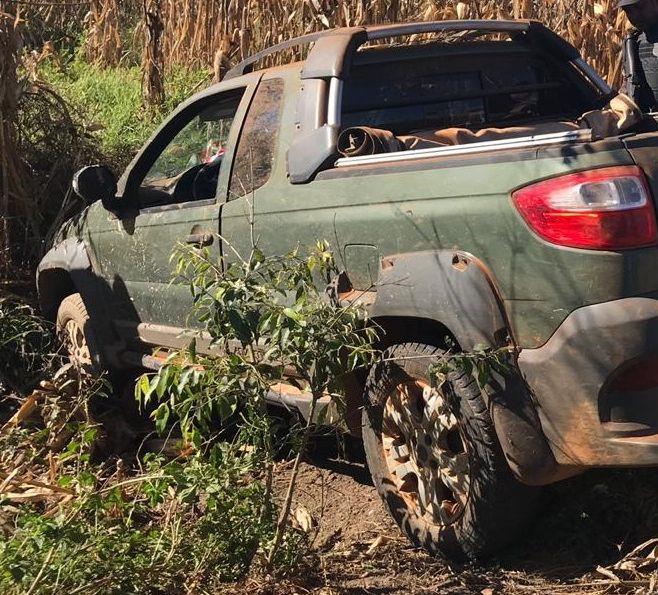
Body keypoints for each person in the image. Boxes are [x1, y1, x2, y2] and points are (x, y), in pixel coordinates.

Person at [620, 0, 658, 112]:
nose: (635, 15)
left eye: (639, 7)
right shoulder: (633, 43)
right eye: (628, 10)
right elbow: (629, 84)